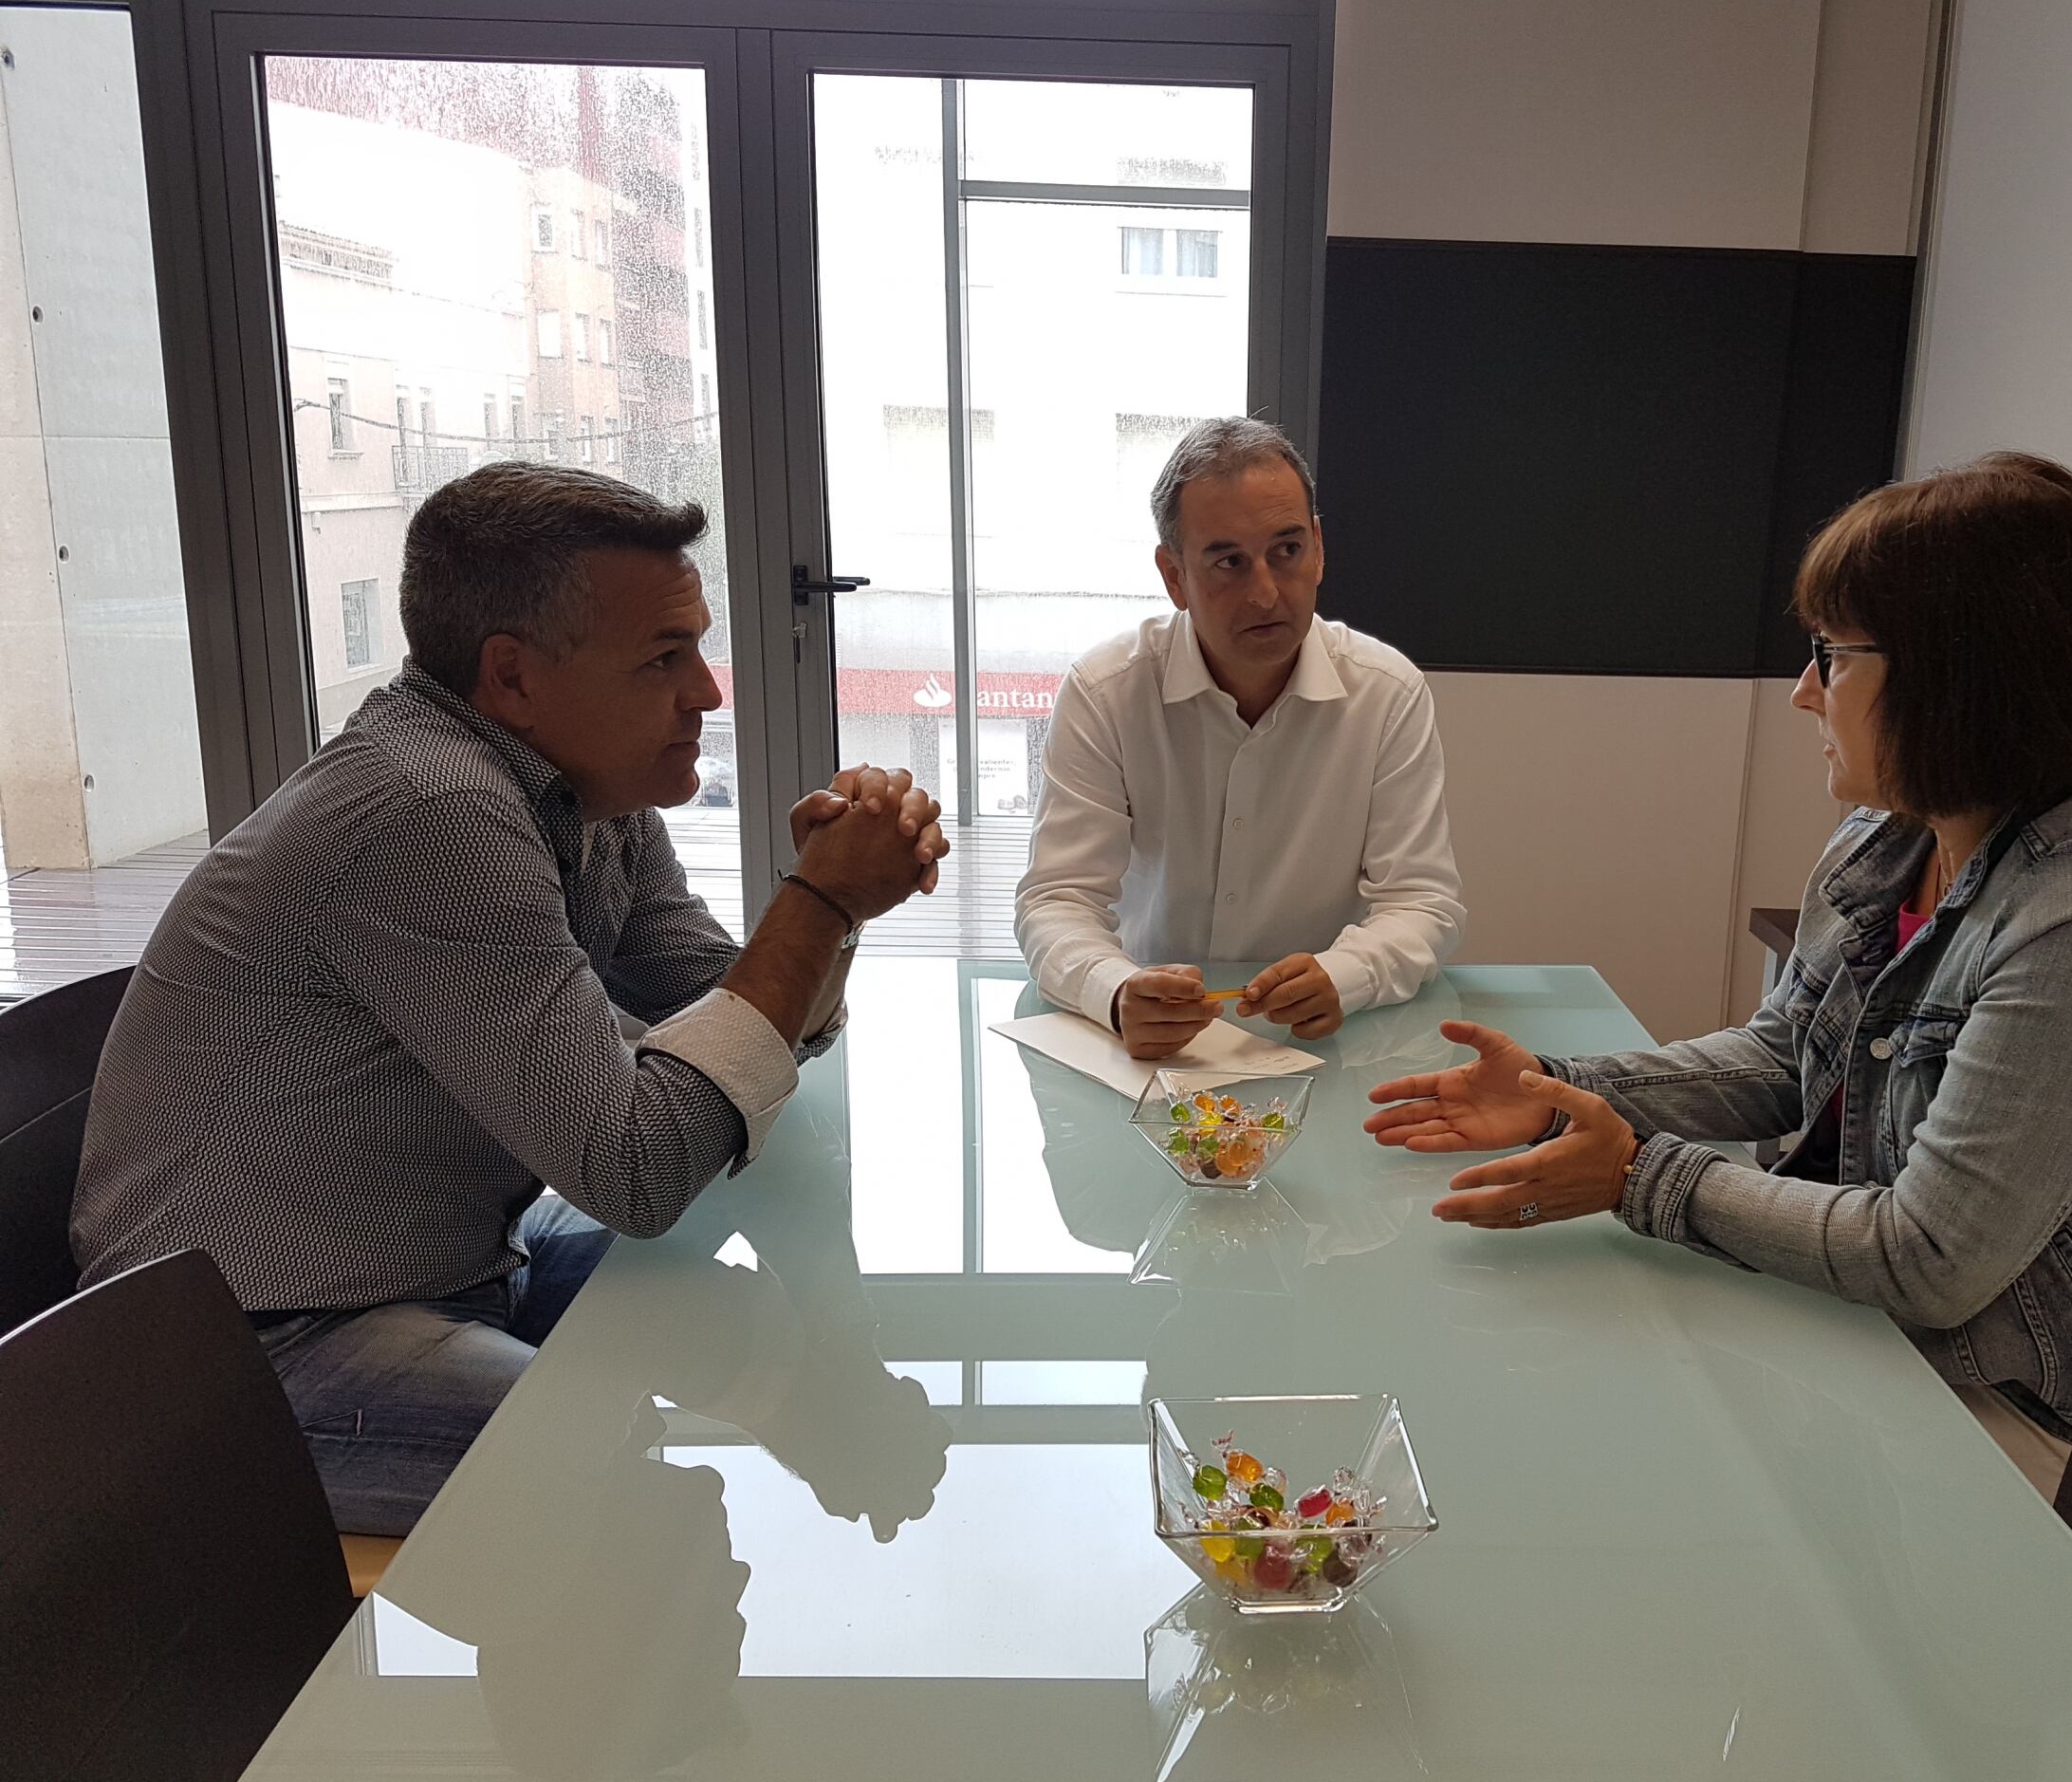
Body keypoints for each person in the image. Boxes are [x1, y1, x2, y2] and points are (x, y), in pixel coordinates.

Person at [68, 461, 949, 1535]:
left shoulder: (584, 791)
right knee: (620, 1495)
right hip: (254, 1344)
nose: (707, 693)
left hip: (458, 1254)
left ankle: (818, 1432)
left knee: (756, 1301)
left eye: (697, 647)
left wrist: (830, 913)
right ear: (514, 677)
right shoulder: (428, 809)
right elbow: (640, 1167)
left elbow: (737, 1020)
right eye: (663, 658)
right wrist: (818, 903)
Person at [1363, 452, 2072, 1446]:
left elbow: (1928, 1257)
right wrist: (1558, 1089)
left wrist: (1634, 1174)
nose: (1803, 693)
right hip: (1938, 1346)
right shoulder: (1898, 832)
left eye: (1833, 654)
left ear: (1958, 674)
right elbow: (1788, 1058)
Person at [1017, 416, 1464, 1060]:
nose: (1264, 594)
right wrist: (1114, 992)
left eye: (1286, 551)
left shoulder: (1387, 692)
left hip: (1320, 1037)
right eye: (1228, 562)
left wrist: (1345, 975)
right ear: (1174, 575)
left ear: (1318, 548)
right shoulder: (1106, 691)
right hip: (1151, 1040)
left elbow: (1422, 901)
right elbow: (1057, 898)